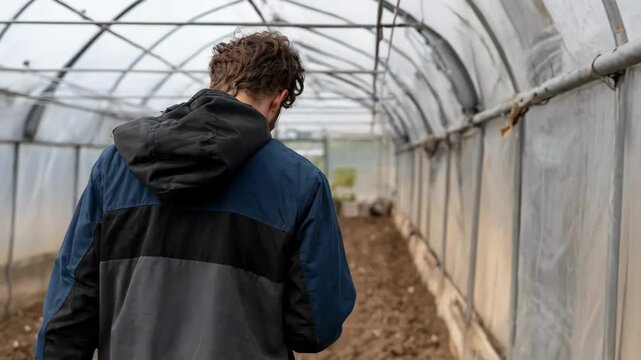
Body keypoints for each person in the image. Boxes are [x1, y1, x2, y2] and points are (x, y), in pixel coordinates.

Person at [35, 31, 356, 360]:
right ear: (277, 100)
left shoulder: (117, 163)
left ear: (216, 82)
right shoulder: (302, 183)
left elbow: (70, 310)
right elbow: (314, 327)